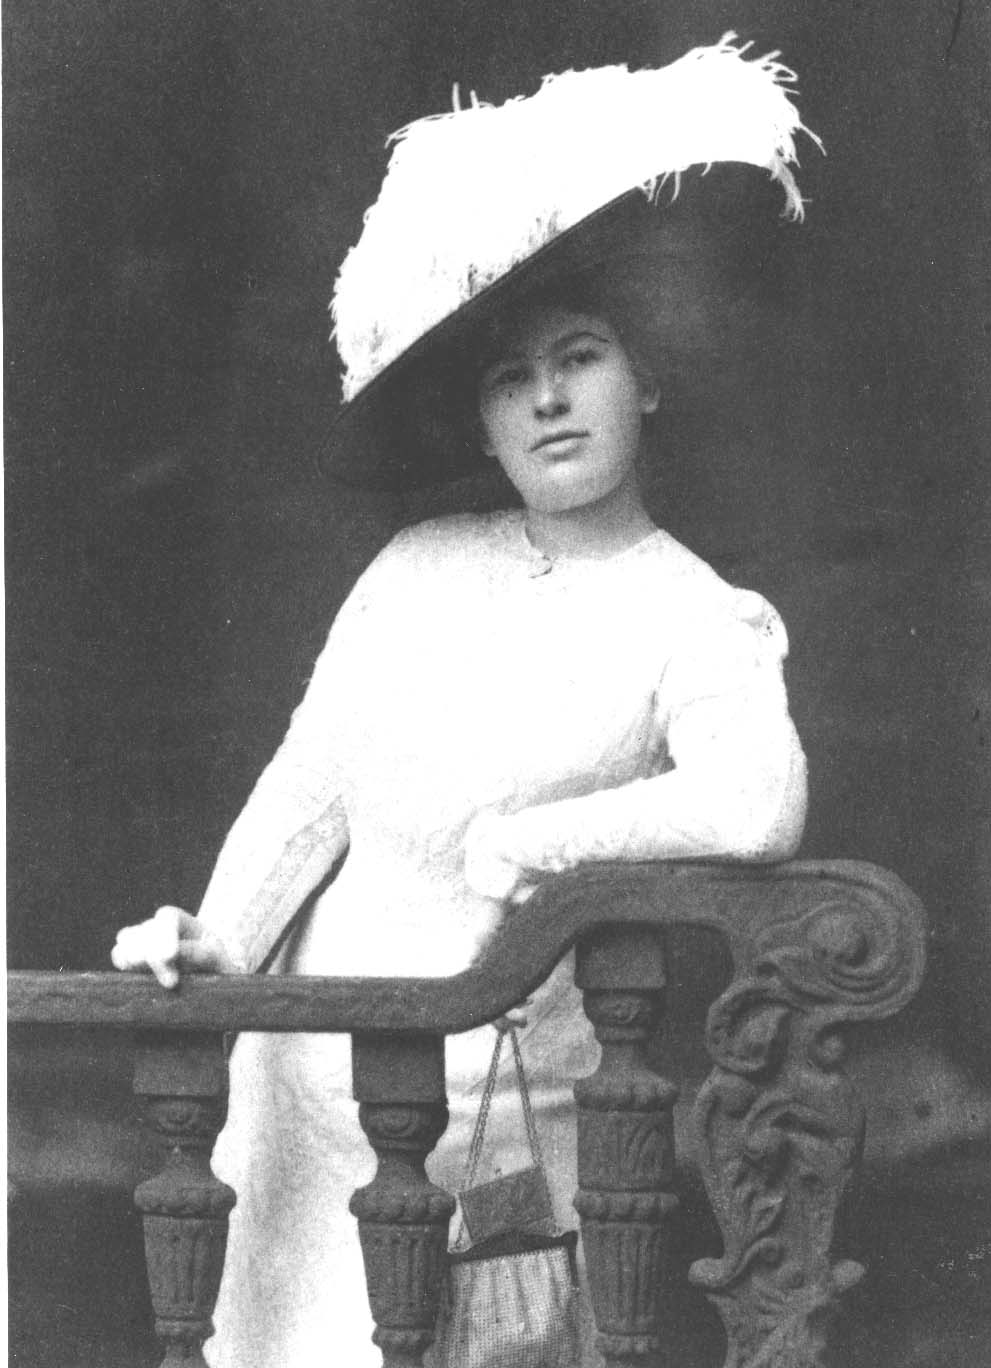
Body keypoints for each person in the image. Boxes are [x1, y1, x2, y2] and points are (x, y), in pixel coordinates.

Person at [111, 36, 814, 1367]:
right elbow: (309, 788)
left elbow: (758, 800)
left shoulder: (698, 615)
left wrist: (536, 844)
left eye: (580, 357)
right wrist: (215, 951)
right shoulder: (416, 567)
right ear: (485, 425)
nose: (546, 397)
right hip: (305, 1097)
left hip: (500, 1123)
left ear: (646, 379)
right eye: (508, 378)